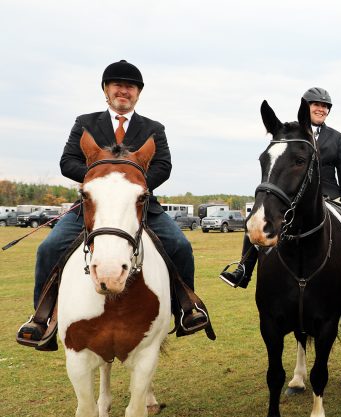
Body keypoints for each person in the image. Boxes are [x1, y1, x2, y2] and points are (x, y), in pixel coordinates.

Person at [17, 60, 209, 346]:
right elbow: (67, 161)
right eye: (117, 85)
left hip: (140, 206)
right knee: (49, 247)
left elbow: (163, 166)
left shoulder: (154, 128)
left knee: (180, 245)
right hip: (93, 206)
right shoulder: (85, 123)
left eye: (130, 87)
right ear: (106, 90)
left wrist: (131, 185)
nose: (124, 91)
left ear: (138, 93)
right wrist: (103, 180)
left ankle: (185, 308)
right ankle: (42, 316)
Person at [220, 87, 341, 288]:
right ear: (307, 107)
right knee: (259, 218)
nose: (321, 109)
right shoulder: (292, 132)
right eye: (317, 104)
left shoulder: (336, 137)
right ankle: (243, 267)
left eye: (325, 106)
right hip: (297, 194)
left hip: (329, 195)